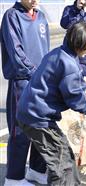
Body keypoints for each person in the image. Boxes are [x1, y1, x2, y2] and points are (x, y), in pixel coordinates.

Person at [16, 21, 86, 185]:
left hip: (31, 112)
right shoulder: (69, 63)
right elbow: (78, 102)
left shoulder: (59, 53)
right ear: (79, 42)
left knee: (65, 157)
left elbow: (64, 79)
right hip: (39, 118)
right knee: (63, 166)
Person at [0, 0, 50, 185]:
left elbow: (46, 50)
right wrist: (36, 73)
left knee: (40, 127)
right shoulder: (12, 16)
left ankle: (37, 170)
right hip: (22, 82)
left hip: (41, 81)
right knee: (20, 131)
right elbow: (16, 53)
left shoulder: (41, 16)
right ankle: (14, 178)